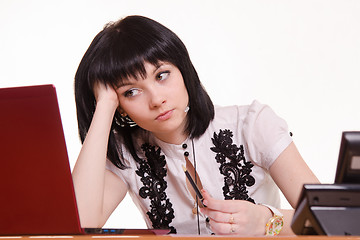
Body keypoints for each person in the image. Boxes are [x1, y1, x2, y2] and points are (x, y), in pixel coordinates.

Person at [72, 15, 319, 236]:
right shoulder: (126, 152)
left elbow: (334, 219)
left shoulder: (251, 124)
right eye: (132, 92)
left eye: (162, 75)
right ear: (120, 106)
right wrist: (104, 104)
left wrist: (265, 222)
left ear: (183, 69)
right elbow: (80, 225)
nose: (157, 100)